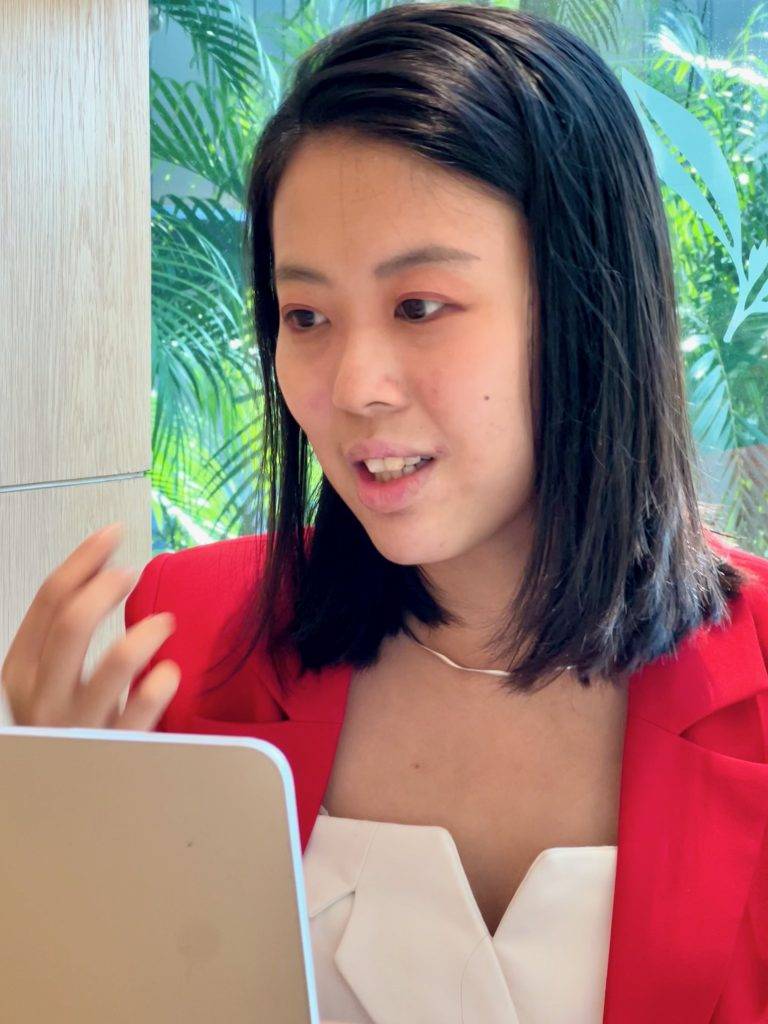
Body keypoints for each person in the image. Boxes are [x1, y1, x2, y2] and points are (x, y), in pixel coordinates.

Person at [4, 4, 768, 1022]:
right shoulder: (175, 648)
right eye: (306, 315)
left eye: (419, 306)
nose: (354, 385)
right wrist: (58, 860)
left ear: (591, 305)